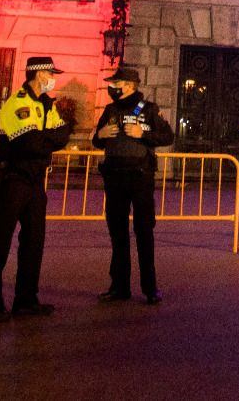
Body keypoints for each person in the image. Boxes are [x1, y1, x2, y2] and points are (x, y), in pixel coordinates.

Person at [0, 56, 72, 320]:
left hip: (34, 181)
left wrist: (44, 138)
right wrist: (47, 140)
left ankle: (26, 300)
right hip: (13, 179)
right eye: (50, 73)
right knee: (0, 240)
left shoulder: (47, 105)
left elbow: (63, 135)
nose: (53, 78)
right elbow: (30, 143)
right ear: (37, 74)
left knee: (34, 241)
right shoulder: (17, 103)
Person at [93, 66, 174, 305]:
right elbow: (97, 141)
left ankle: (150, 288)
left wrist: (142, 133)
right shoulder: (109, 110)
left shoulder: (148, 110)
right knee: (118, 234)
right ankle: (119, 286)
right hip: (114, 177)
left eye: (116, 84)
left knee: (144, 232)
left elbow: (167, 137)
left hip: (140, 178)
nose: (112, 88)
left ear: (129, 86)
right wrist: (101, 134)